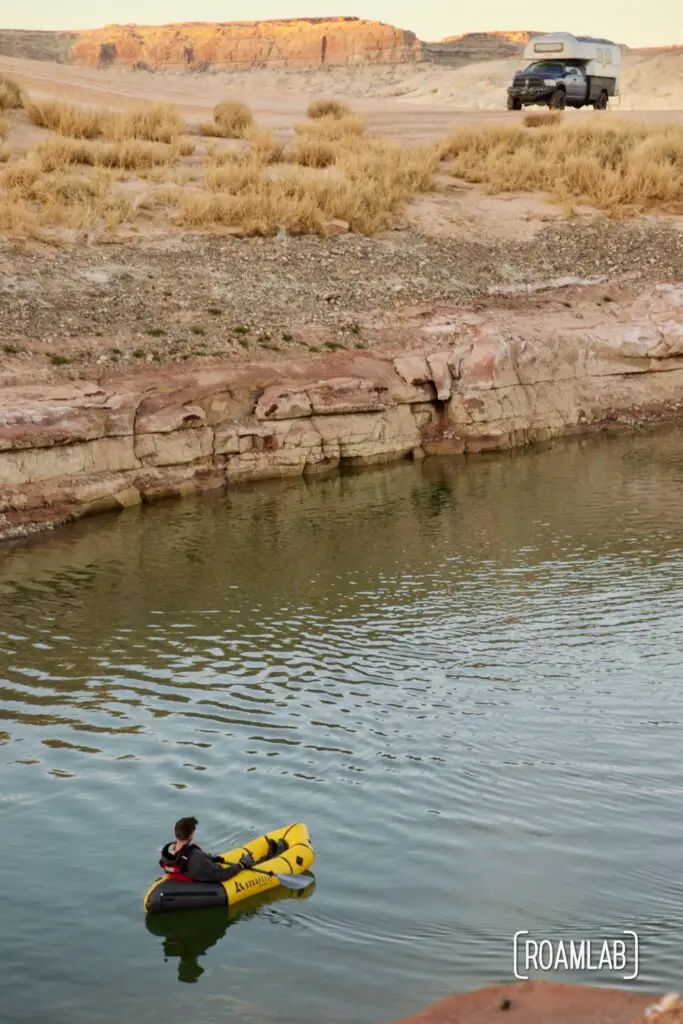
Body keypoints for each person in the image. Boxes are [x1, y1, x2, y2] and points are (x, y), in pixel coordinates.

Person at [160, 816, 254, 883]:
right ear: (191, 835)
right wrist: (241, 865)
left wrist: (211, 858)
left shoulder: (167, 852)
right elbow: (222, 875)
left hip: (185, 874)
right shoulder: (196, 858)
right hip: (199, 875)